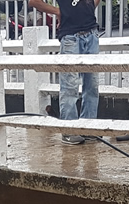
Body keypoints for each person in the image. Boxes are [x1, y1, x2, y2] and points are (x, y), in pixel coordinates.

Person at [29, 0, 100, 146]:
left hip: (91, 32)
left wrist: (90, 5)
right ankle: (69, 129)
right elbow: (33, 2)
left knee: (92, 84)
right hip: (70, 36)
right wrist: (57, 11)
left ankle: (89, 126)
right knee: (70, 85)